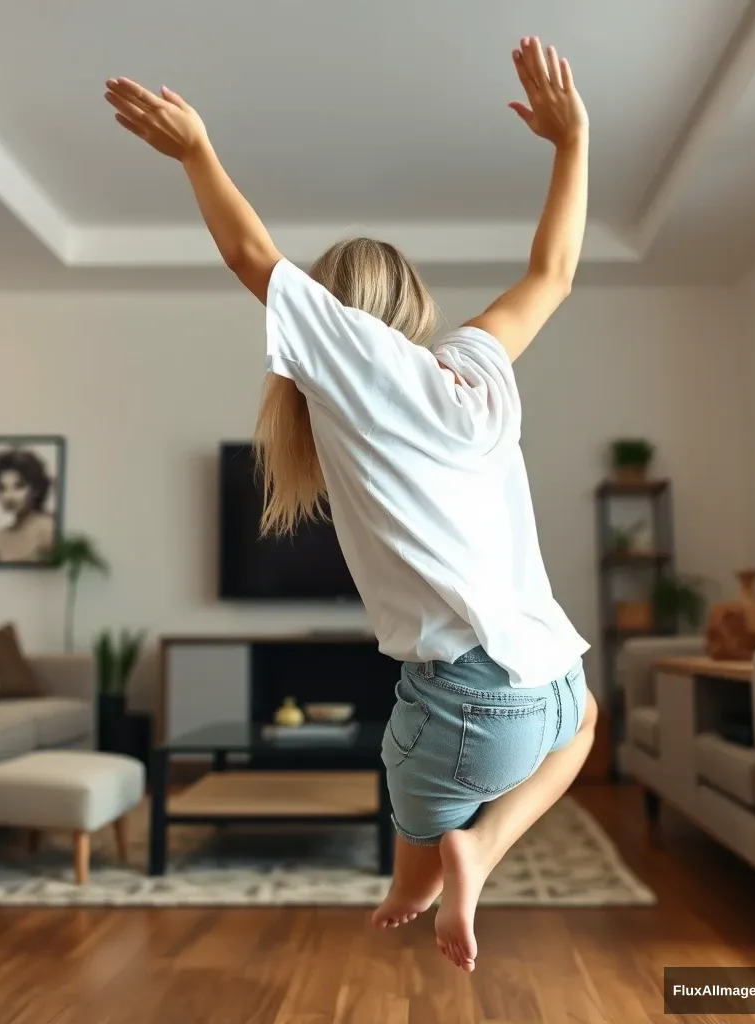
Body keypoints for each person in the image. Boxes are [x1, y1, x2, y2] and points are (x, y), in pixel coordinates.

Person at [105, 34, 595, 972]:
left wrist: (196, 150)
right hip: (547, 683)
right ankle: (481, 855)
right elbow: (554, 273)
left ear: (342, 317)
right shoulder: (477, 367)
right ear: (415, 304)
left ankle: (423, 874)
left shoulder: (358, 364)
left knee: (412, 813)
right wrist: (572, 142)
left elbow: (253, 256)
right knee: (587, 727)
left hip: (464, 710)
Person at [0, 448, 56, 563]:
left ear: (36, 489)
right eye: (2, 488)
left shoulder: (49, 529)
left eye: (19, 486)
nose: (9, 496)